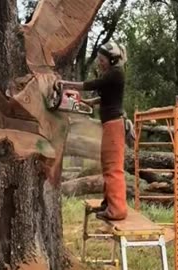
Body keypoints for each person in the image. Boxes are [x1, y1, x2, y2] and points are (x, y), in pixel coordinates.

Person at [56, 41, 128, 220]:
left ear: (112, 60)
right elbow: (105, 96)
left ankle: (117, 210)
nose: (99, 63)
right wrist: (88, 103)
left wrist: (65, 84)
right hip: (110, 124)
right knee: (107, 165)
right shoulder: (112, 74)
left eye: (102, 60)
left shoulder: (116, 73)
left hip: (114, 124)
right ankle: (109, 203)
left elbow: (92, 84)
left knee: (113, 168)